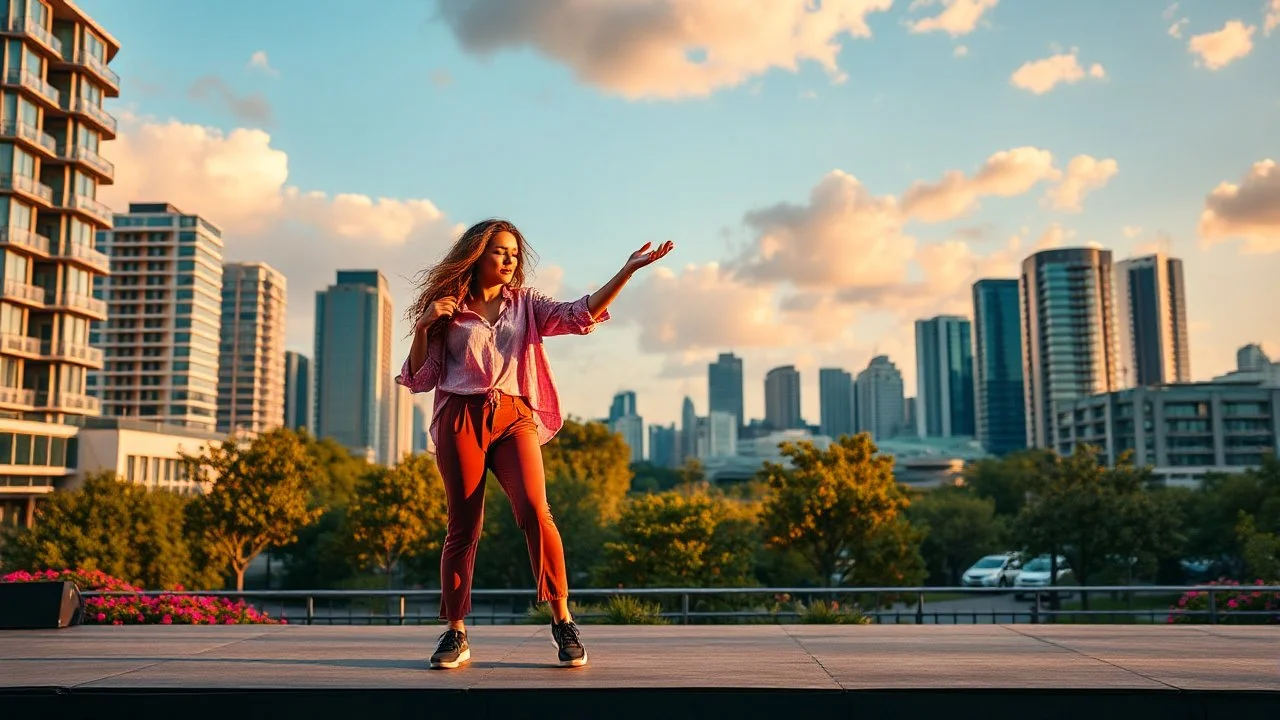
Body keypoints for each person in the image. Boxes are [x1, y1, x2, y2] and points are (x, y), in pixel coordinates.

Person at [396, 219, 674, 669]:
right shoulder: (447, 309)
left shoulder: (526, 304)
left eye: (513, 254)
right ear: (476, 255)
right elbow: (422, 378)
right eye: (498, 252)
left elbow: (578, 313)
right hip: (460, 420)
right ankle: (455, 632)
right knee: (463, 525)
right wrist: (424, 327)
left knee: (535, 510)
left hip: (514, 417)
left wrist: (626, 272)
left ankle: (563, 620)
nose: (508, 260)